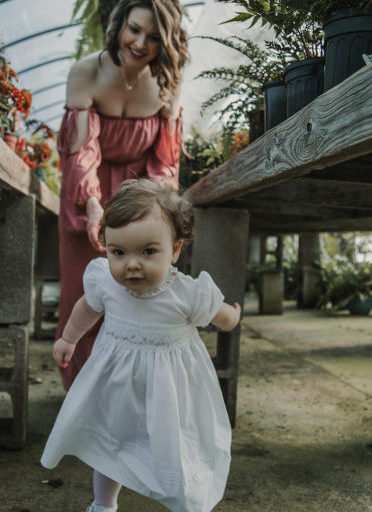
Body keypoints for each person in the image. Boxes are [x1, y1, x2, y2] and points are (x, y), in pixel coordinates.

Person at [41, 179, 241, 512]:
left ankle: (185, 503)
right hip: (118, 387)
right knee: (111, 447)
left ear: (175, 249)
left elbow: (219, 316)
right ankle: (104, 504)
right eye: (119, 252)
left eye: (148, 251)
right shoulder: (105, 280)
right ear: (106, 246)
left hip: (172, 393)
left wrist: (232, 317)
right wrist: (69, 338)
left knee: (176, 452)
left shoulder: (186, 293)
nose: (131, 264)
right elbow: (86, 309)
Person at [56, 0, 189, 390]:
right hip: (86, 196)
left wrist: (151, 214)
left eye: (153, 37)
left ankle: (131, 391)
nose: (140, 43)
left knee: (139, 295)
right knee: (86, 292)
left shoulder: (168, 82)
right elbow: (81, 152)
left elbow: (165, 160)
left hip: (140, 195)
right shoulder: (87, 71)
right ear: (119, 24)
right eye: (134, 29)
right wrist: (95, 207)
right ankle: (83, 393)